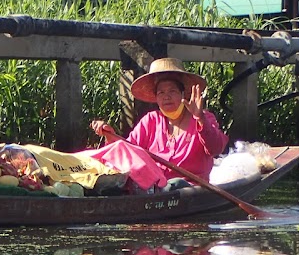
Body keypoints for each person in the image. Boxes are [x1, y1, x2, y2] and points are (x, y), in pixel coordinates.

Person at [85, 57, 229, 191]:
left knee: (175, 185)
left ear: (183, 94)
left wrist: (200, 118)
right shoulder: (151, 120)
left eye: (172, 91)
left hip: (189, 189)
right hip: (154, 188)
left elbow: (215, 149)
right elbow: (128, 151)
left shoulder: (203, 118)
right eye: (161, 93)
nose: (166, 97)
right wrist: (110, 136)